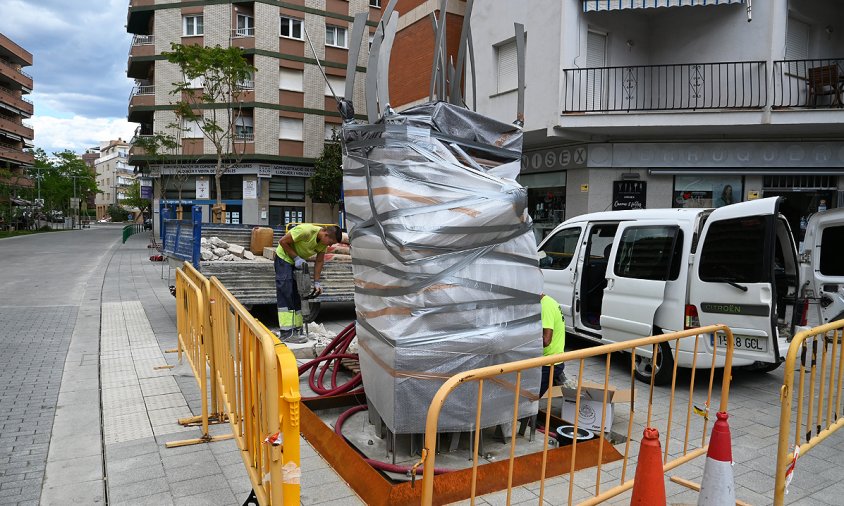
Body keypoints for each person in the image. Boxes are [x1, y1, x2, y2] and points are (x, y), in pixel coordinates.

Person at [275, 224, 343, 341]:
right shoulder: (306, 231)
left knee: (298, 295)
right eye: (331, 242)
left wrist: (317, 282)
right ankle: (286, 333)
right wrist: (296, 258)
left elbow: (320, 261)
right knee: (286, 293)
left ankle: (297, 329)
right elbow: (282, 242)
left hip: (297, 262)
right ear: (326, 234)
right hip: (284, 259)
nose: (330, 245)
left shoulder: (322, 243)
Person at [539, 293, 566, 398]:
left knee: (530, 397)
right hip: (554, 359)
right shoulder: (548, 301)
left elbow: (546, 340)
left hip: (549, 363)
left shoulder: (545, 306)